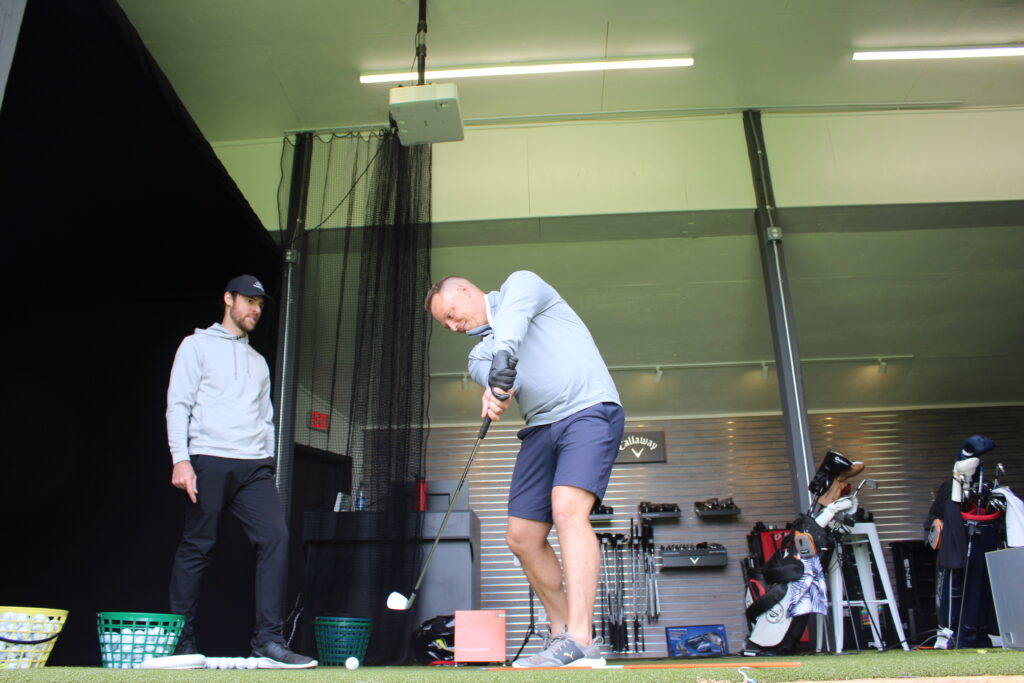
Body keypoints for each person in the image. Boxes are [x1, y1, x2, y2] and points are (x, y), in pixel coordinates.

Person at [424, 270, 624, 668]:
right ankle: (562, 634)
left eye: (450, 313)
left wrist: (502, 363)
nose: (451, 325)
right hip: (539, 429)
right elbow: (498, 378)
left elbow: (511, 329)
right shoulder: (478, 354)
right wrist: (496, 392)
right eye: (444, 324)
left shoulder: (523, 285)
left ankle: (582, 639)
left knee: (567, 510)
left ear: (464, 290)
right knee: (522, 536)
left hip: (588, 410)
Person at [165, 275, 316, 669]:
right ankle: (181, 642)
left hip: (253, 467)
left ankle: (268, 641)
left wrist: (267, 463)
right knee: (197, 546)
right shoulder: (195, 346)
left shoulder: (258, 361)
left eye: (261, 304)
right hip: (207, 458)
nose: (256, 309)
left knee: (276, 538)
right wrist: (180, 459)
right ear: (228, 299)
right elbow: (178, 404)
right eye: (249, 301)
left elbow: (266, 419)